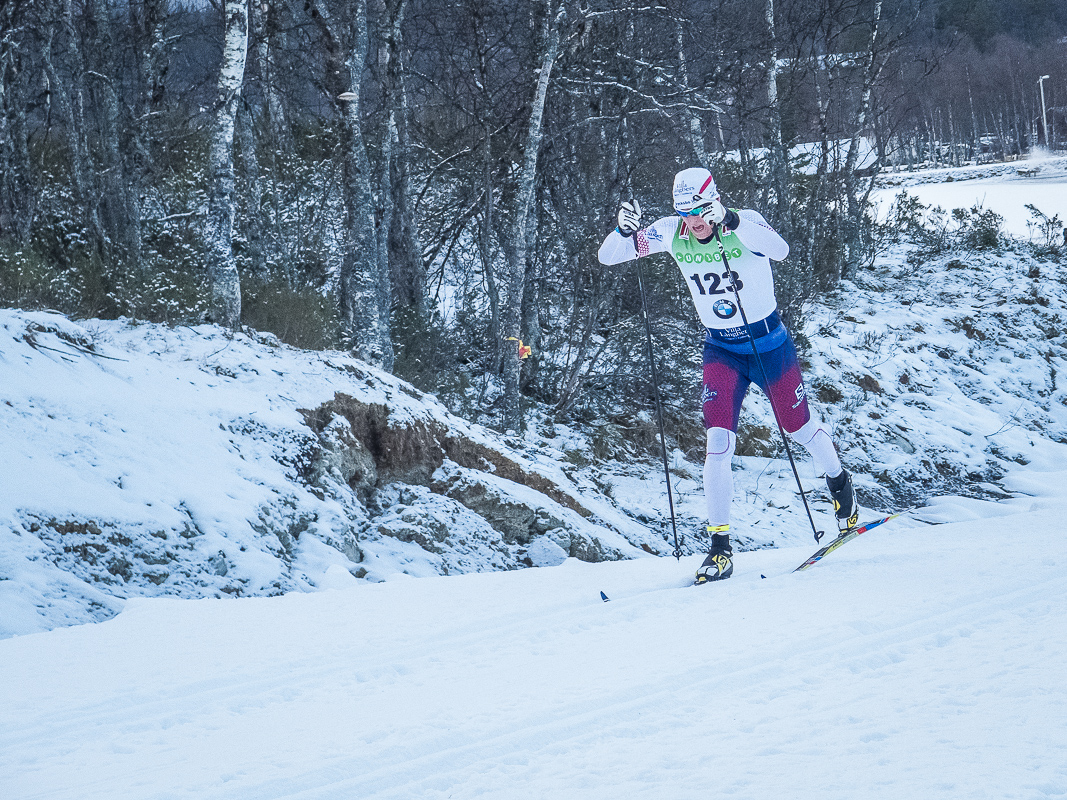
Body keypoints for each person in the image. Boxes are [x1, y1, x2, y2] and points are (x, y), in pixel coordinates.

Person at [598, 167, 857, 583]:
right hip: (722, 350)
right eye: (684, 212)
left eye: (699, 211)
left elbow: (780, 250)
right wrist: (622, 231)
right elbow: (609, 256)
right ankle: (720, 549)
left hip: (768, 345)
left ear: (714, 201)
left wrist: (732, 221)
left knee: (799, 429)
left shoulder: (745, 222)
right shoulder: (672, 232)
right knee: (717, 443)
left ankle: (840, 484)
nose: (693, 221)